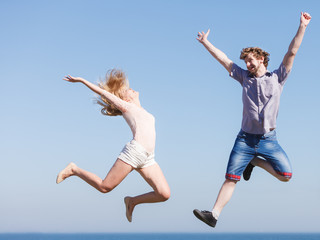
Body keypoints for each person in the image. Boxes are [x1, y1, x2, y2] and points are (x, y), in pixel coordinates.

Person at [193, 12, 311, 228]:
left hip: (269, 140)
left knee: (286, 175)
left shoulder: (278, 78)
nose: (247, 63)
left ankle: (254, 161)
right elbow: (224, 59)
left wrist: (302, 26)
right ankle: (214, 215)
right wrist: (206, 43)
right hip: (245, 139)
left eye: (250, 60)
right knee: (231, 178)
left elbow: (292, 51)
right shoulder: (243, 78)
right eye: (245, 61)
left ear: (261, 59)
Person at [56, 69, 170, 222]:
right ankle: (74, 169)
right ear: (125, 99)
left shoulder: (142, 110)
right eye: (126, 90)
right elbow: (104, 94)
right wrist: (82, 80)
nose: (130, 89)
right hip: (135, 152)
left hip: (148, 158)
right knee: (105, 187)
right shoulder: (127, 107)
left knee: (164, 194)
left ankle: (132, 201)